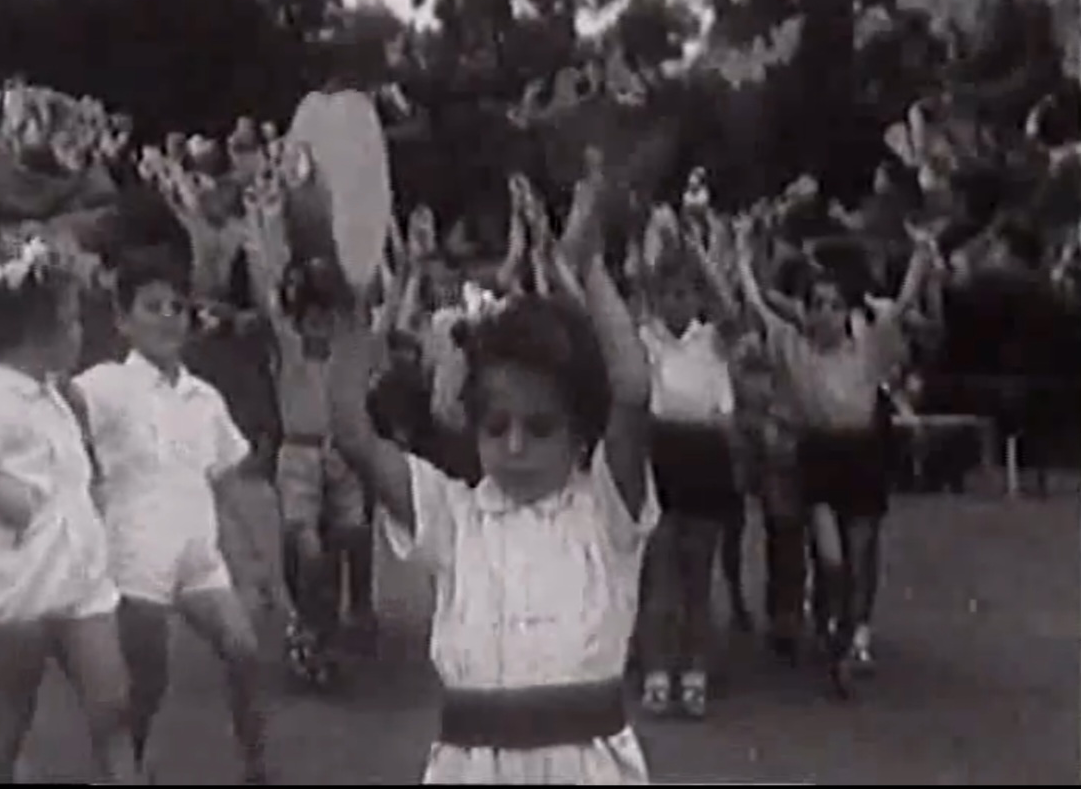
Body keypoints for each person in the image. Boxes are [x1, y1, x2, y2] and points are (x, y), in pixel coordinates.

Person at [328, 155, 658, 784]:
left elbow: (633, 389)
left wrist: (588, 267)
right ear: (472, 426)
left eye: (540, 428)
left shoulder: (606, 509)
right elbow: (354, 436)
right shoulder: (452, 516)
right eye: (496, 427)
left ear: (580, 432)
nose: (514, 447)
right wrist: (355, 309)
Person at [0, 237, 138, 784]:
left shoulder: (55, 397)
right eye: (70, 323)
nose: (79, 333)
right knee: (13, 712)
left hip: (81, 579)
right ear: (35, 337)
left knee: (113, 705)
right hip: (21, 585)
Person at [73, 252, 268, 784]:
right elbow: (62, 408)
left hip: (198, 556)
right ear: (123, 321)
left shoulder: (205, 398)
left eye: (176, 307)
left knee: (244, 650)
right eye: (152, 306)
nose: (167, 318)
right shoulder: (109, 383)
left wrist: (251, 561)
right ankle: (124, 769)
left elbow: (225, 486)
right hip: (136, 556)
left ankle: (256, 768)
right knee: (148, 679)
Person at [736, 213, 934, 691]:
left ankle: (855, 634)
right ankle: (832, 624)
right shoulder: (791, 345)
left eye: (834, 305)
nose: (825, 314)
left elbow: (904, 300)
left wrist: (922, 254)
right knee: (831, 555)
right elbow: (756, 299)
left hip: (861, 453)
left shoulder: (868, 343)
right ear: (803, 311)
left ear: (848, 310)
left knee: (861, 547)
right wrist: (743, 250)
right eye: (817, 305)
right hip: (819, 456)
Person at [635, 208, 743, 721]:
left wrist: (698, 251)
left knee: (699, 574)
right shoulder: (646, 339)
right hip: (661, 450)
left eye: (686, 294)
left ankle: (694, 674)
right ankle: (657, 673)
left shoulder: (713, 339)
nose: (678, 303)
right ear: (657, 299)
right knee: (659, 575)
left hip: (705, 454)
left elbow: (729, 308)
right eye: (669, 294)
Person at [271, 257, 377, 687]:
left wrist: (399, 271)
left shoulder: (346, 360)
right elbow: (269, 301)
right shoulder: (290, 352)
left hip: (339, 457)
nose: (320, 329)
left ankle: (348, 616)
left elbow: (370, 322)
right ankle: (308, 626)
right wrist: (260, 234)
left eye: (327, 321)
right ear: (300, 323)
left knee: (354, 533)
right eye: (311, 321)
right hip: (299, 455)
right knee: (307, 547)